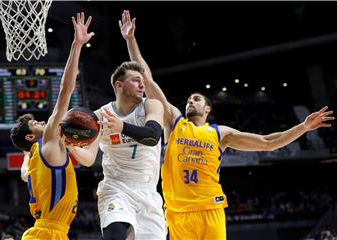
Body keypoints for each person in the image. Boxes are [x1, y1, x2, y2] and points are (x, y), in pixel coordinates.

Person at [119, 10, 335, 240]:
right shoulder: (174, 121)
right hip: (178, 213)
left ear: (208, 109)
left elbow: (267, 142)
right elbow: (147, 78)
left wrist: (303, 127)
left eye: (197, 99)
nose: (190, 101)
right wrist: (131, 40)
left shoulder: (220, 133)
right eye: (189, 98)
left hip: (211, 209)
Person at [10, 12, 95, 240]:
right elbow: (65, 92)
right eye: (34, 123)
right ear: (31, 137)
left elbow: (24, 174)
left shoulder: (34, 158)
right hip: (49, 233)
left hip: (45, 231)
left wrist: (25, 153)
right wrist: (77, 46)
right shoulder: (47, 139)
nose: (41, 121)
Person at [68, 45, 166, 240]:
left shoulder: (151, 105)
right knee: (116, 235)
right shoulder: (100, 116)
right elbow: (88, 159)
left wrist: (122, 127)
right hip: (116, 187)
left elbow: (152, 136)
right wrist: (71, 145)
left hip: (147, 191)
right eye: (136, 80)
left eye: (142, 81)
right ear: (119, 86)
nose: (142, 85)